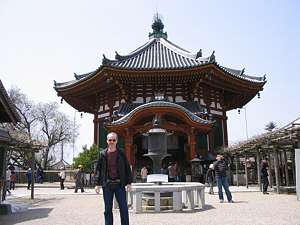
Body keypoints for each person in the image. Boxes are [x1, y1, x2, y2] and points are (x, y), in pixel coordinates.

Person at [95, 132, 133, 225]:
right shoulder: (103, 154)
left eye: (114, 140)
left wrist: (129, 183)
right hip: (107, 185)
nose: (112, 142)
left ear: (116, 141)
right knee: (108, 209)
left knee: (123, 208)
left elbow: (127, 167)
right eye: (110, 140)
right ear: (107, 141)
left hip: (120, 184)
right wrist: (97, 184)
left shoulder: (121, 153)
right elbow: (98, 170)